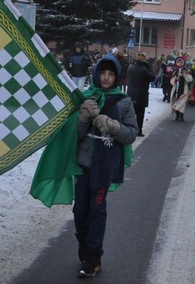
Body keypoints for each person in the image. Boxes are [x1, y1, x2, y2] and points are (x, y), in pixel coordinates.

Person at [74, 54, 138, 278]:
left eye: (111, 74)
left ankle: (94, 257)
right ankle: (84, 249)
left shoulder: (123, 101)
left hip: (105, 166)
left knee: (97, 211)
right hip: (83, 164)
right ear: (96, 73)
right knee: (80, 210)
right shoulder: (86, 96)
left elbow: (131, 133)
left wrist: (113, 126)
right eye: (103, 73)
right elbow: (74, 136)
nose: (106, 77)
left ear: (117, 76)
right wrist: (82, 118)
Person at [126, 52, 155, 136]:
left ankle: (130, 129)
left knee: (131, 114)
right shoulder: (143, 70)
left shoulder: (130, 68)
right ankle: (138, 130)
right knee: (140, 115)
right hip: (141, 95)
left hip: (131, 94)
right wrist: (149, 67)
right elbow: (153, 77)